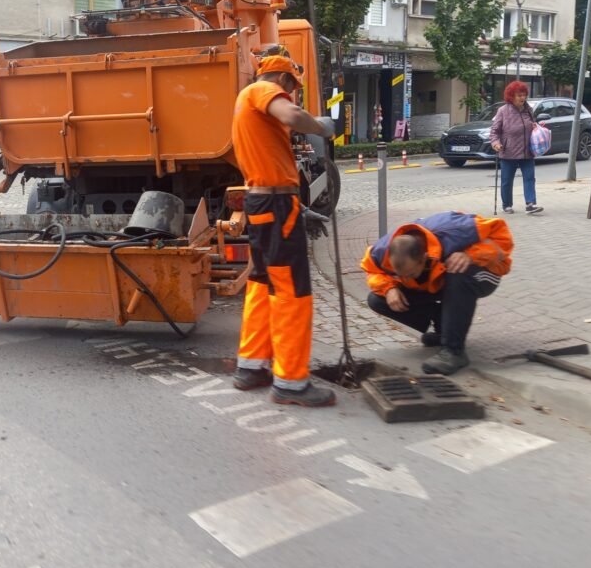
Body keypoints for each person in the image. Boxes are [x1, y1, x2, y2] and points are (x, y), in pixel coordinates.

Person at [231, 54, 337, 406]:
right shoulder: (262, 90)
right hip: (275, 204)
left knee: (262, 282)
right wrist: (320, 126)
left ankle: (251, 367)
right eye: (291, 87)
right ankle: (291, 382)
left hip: (262, 202)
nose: (291, 95)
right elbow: (291, 115)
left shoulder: (247, 100)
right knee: (292, 289)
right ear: (282, 79)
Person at [360, 211, 514, 374]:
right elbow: (372, 270)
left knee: (457, 271)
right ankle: (445, 329)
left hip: (484, 271)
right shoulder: (381, 251)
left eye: (410, 274)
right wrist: (389, 288)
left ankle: (454, 351)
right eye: (400, 275)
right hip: (436, 280)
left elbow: (502, 235)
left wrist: (470, 255)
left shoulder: (456, 230)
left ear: (424, 257)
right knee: (377, 299)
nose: (404, 279)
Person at [490, 81, 543, 214]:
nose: (522, 98)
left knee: (529, 178)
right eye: (519, 95)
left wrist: (536, 127)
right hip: (509, 151)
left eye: (524, 95)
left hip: (527, 151)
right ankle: (507, 205)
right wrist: (496, 143)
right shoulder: (503, 111)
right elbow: (494, 131)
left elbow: (531, 124)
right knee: (507, 181)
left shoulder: (528, 109)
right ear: (511, 96)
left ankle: (530, 204)